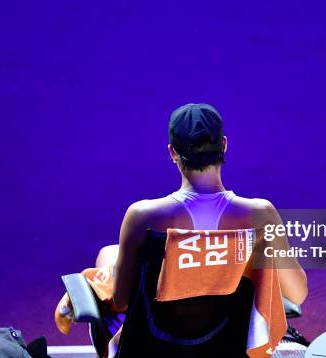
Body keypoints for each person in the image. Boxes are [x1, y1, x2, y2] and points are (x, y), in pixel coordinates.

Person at [95, 103, 308, 313]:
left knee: (107, 256)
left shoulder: (141, 216)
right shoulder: (261, 214)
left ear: (172, 152)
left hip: (158, 345)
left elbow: (121, 302)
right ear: (224, 145)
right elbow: (297, 294)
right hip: (232, 345)